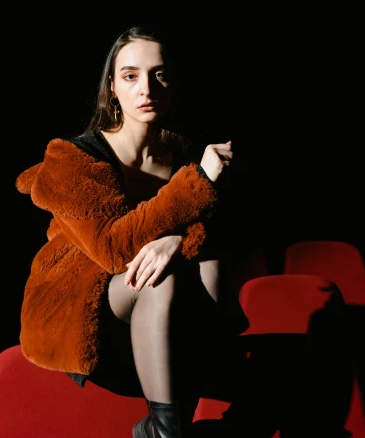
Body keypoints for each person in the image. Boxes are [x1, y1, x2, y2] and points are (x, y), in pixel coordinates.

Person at [15, 24, 246, 438]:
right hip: (84, 303)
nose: (146, 88)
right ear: (113, 88)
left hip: (166, 317)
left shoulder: (182, 154)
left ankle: (165, 430)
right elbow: (114, 248)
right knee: (158, 277)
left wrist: (177, 239)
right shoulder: (71, 157)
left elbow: (224, 232)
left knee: (208, 267)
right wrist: (198, 185)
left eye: (159, 74)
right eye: (131, 75)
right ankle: (167, 432)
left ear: (172, 85)